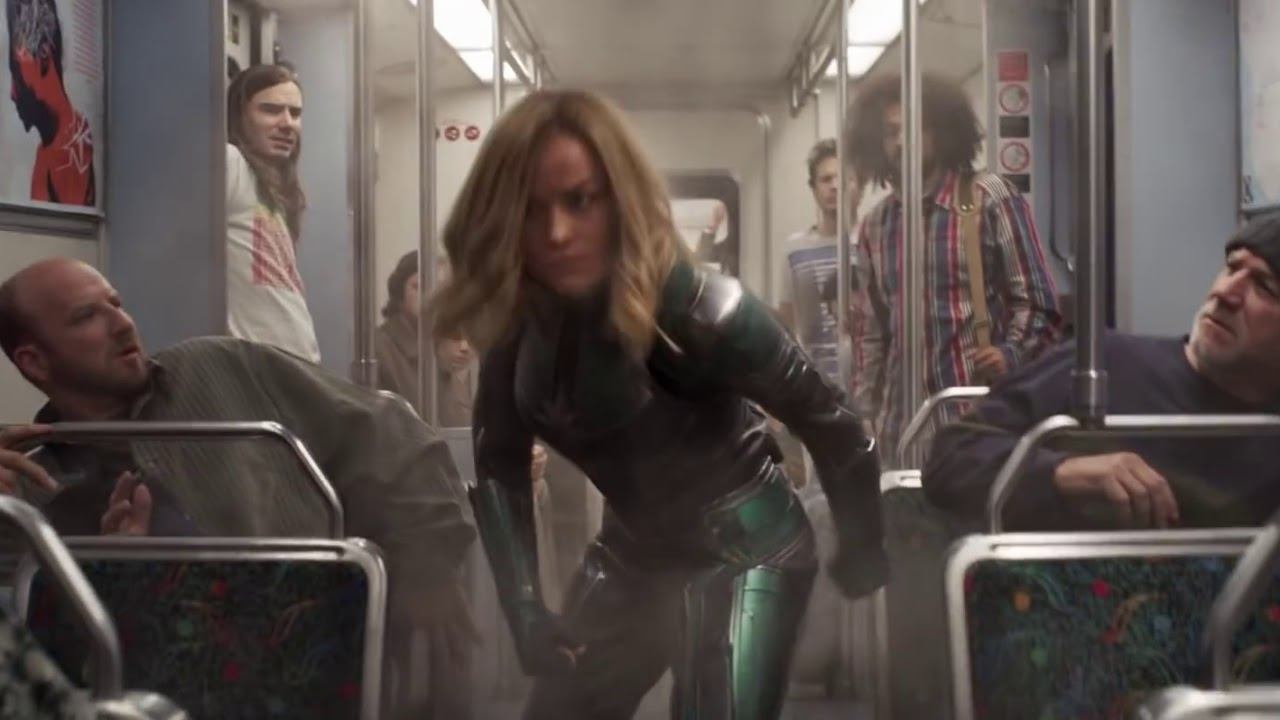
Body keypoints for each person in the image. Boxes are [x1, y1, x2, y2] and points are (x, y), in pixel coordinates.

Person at [432, 89, 886, 719]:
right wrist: (525, 607)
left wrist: (862, 549)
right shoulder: (518, 328)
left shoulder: (702, 310)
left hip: (750, 547)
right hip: (637, 547)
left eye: (579, 201)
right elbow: (499, 461)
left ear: (619, 201)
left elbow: (835, 426)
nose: (557, 233)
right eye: (532, 210)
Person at [0, 258, 476, 718]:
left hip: (308, 662)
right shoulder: (29, 493)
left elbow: (388, 431)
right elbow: (39, 672)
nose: (122, 324)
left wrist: (427, 563)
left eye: (116, 304)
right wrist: (112, 576)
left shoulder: (223, 370)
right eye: (86, 316)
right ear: (34, 362)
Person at [924, 214, 1280, 531]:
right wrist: (1064, 472)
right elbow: (950, 458)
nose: (1225, 293)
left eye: (1264, 287)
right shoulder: (1106, 362)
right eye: (1231, 268)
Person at [847, 73, 1062, 459]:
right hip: (901, 430)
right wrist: (862, 414)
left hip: (978, 420)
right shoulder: (875, 225)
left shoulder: (989, 199)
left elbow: (1038, 303)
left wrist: (1010, 353)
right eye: (891, 132)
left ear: (941, 130)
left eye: (914, 128)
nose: (902, 141)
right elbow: (871, 333)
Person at [225, 64, 320, 362]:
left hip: (296, 362)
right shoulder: (231, 163)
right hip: (255, 365)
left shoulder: (276, 190)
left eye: (295, 113)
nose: (287, 123)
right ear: (240, 116)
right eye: (270, 110)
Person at [779, 138, 861, 382]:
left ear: (858, 184)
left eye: (843, 179)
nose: (834, 186)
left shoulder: (872, 242)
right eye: (826, 179)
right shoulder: (795, 250)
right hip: (815, 385)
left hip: (867, 383)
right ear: (813, 188)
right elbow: (787, 325)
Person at [6, 0, 95, 206]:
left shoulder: (66, 149)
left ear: (44, 53)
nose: (13, 93)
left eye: (16, 73)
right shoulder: (60, 144)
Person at [375, 250, 474, 425]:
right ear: (399, 293)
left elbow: (460, 426)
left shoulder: (443, 346)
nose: (429, 297)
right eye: (418, 287)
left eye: (439, 290)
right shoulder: (380, 347)